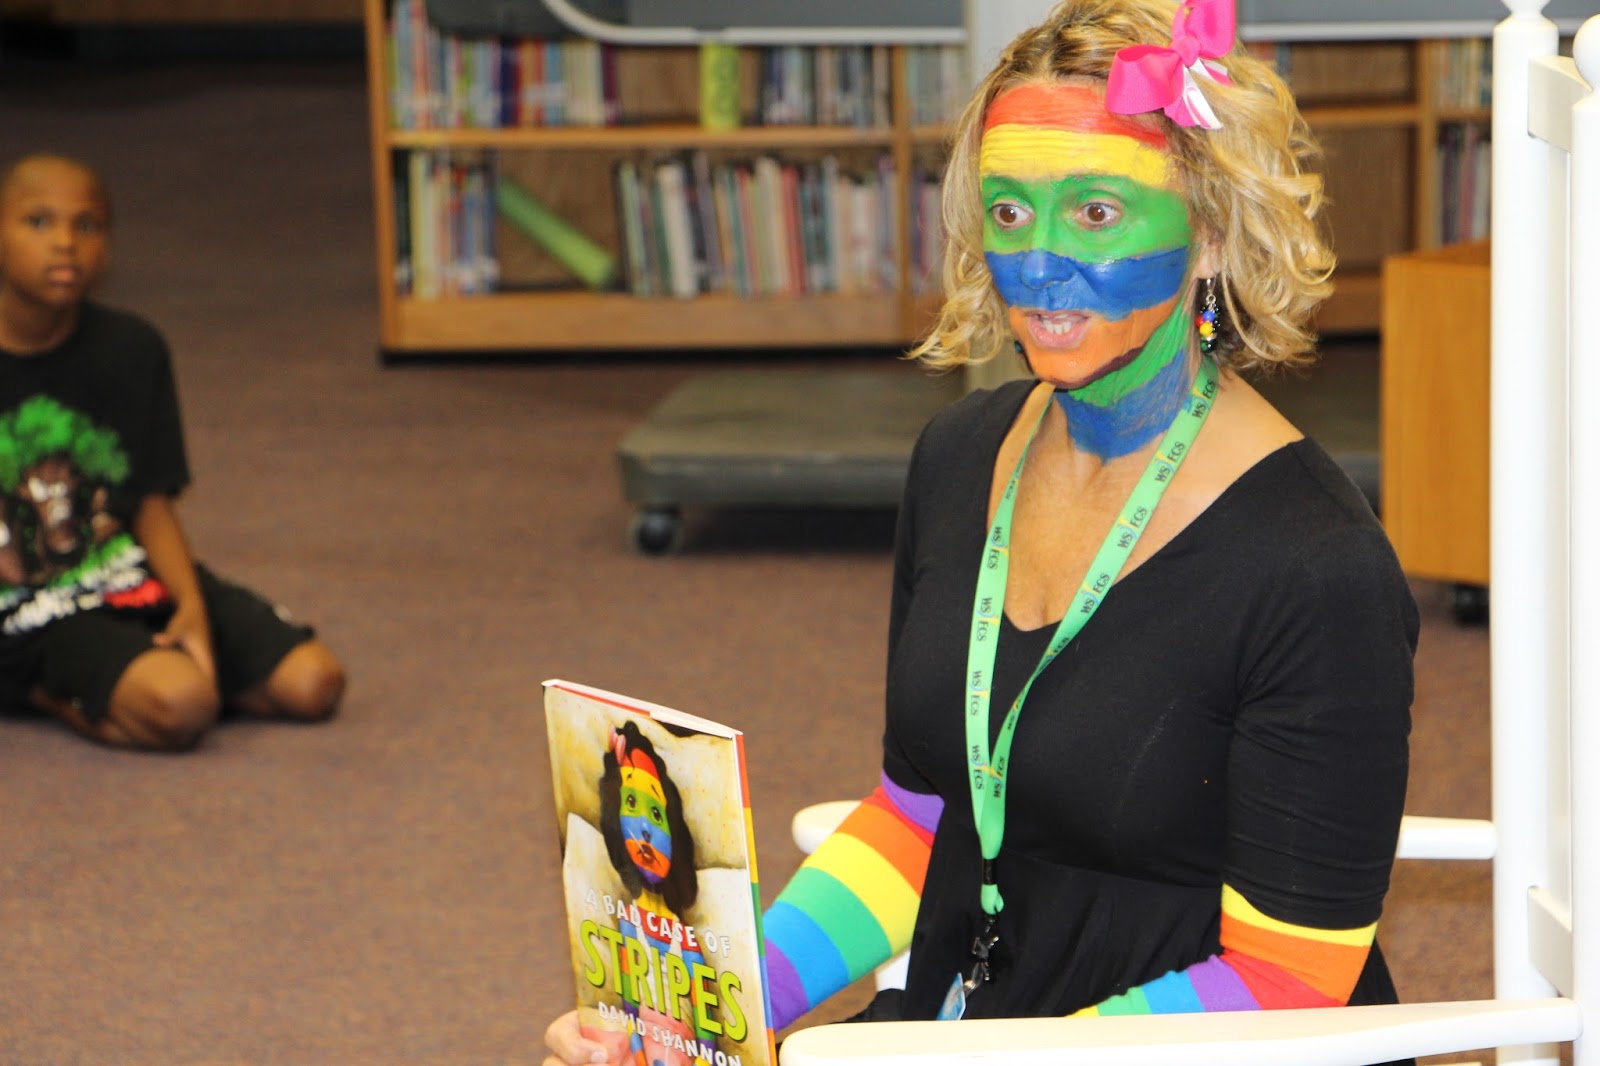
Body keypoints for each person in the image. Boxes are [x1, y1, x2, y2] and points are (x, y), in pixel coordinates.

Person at [546, 0, 1417, 1058]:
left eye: (1095, 213)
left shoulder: (1314, 566)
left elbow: (1289, 975)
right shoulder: (962, 456)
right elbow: (915, 821)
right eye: (1008, 214)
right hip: (979, 1017)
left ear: (1212, 235)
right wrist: (716, 1006)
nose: (1038, 263)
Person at [0, 152, 347, 751]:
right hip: (28, 606)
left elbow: (151, 501)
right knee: (181, 706)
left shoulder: (132, 348)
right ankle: (32, 684)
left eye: (87, 226)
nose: (65, 244)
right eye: (38, 223)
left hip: (125, 572)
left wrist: (187, 605)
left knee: (315, 683)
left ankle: (142, 673)